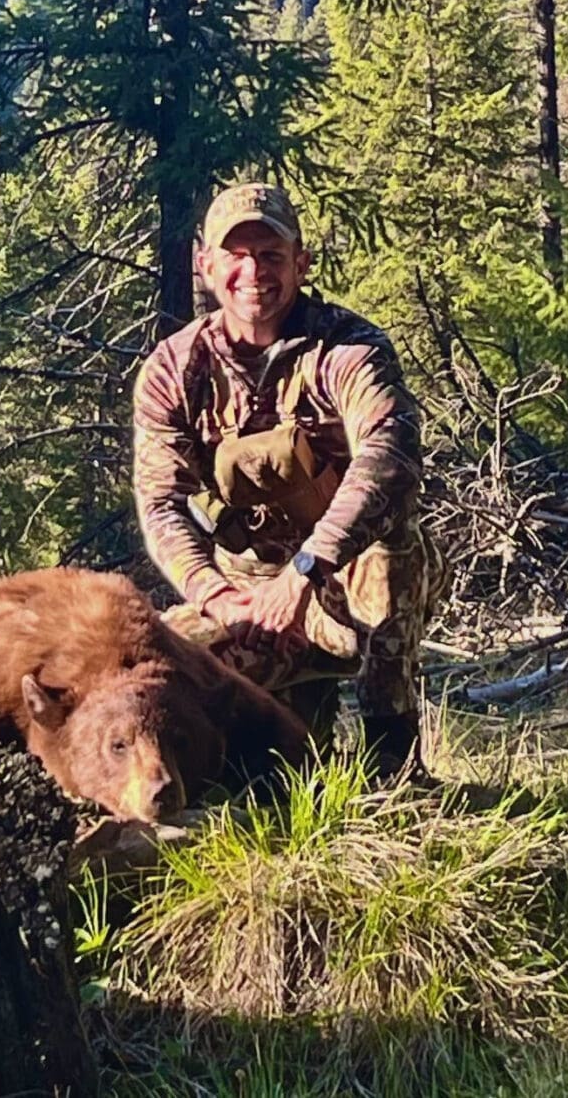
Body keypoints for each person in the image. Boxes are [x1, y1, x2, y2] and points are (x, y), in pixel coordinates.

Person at [132, 182, 447, 776]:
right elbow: (162, 503)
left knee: (390, 551)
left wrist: (306, 570)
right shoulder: (173, 370)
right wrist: (214, 595)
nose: (253, 273)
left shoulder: (348, 348)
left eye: (271, 255)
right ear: (205, 265)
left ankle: (394, 763)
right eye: (236, 256)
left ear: (301, 263)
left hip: (340, 588)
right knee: (158, 664)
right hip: (246, 596)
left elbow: (391, 458)